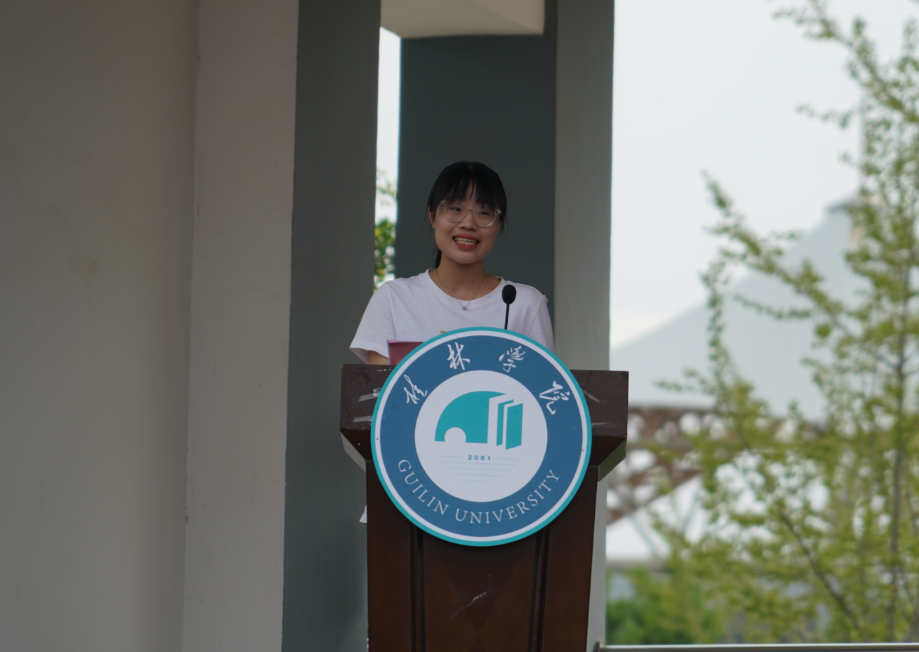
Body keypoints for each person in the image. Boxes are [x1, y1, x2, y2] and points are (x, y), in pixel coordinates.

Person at [351, 161, 553, 364]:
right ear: (433, 216)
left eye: (483, 212)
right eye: (456, 208)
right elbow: (381, 384)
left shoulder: (525, 304)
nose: (468, 223)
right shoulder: (393, 299)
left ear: (498, 224)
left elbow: (542, 381)